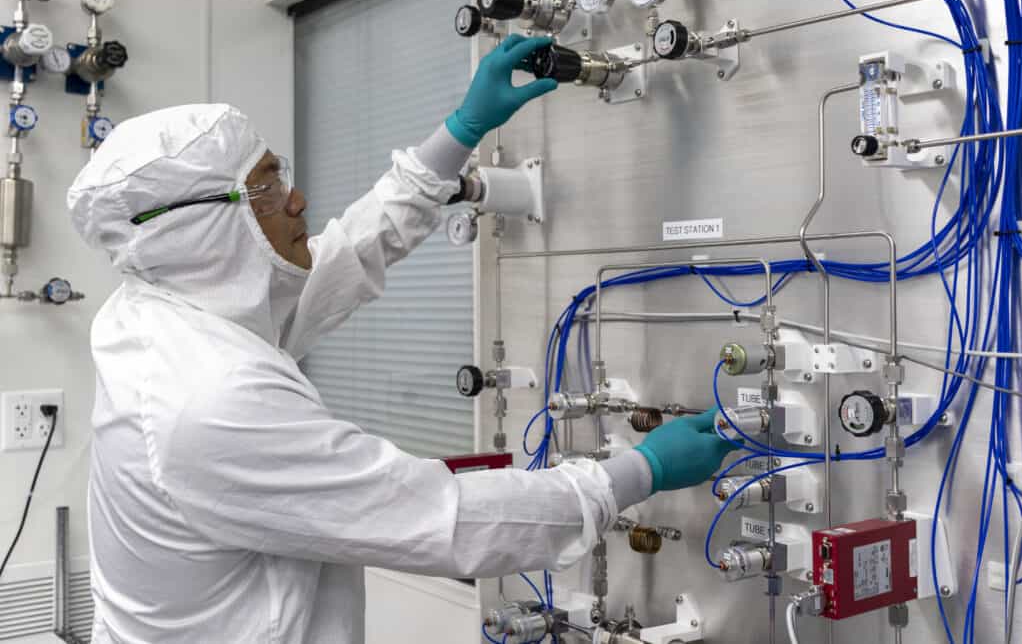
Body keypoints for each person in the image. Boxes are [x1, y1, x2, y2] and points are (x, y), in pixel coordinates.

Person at [68, 35, 737, 643]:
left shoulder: (169, 306)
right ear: (197, 227)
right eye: (267, 186)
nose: (297, 200)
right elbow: (447, 520)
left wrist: (457, 134)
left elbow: (349, 254)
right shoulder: (206, 399)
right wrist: (639, 471)